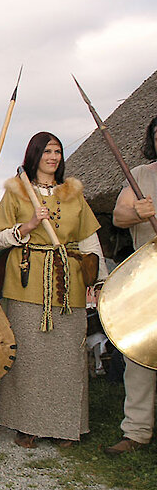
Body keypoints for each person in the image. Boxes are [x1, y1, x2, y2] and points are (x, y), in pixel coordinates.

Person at [0, 131, 106, 448]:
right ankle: (26, 425)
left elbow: (89, 241)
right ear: (34, 155)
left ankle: (65, 426)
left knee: (67, 357)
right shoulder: (17, 192)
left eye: (57, 151)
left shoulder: (73, 193)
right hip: (26, 282)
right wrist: (26, 227)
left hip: (68, 282)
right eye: (47, 152)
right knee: (29, 357)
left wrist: (98, 281)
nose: (53, 157)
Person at [105, 116, 157, 455]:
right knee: (140, 353)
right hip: (147, 279)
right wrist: (138, 213)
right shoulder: (140, 176)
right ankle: (136, 432)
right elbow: (118, 217)